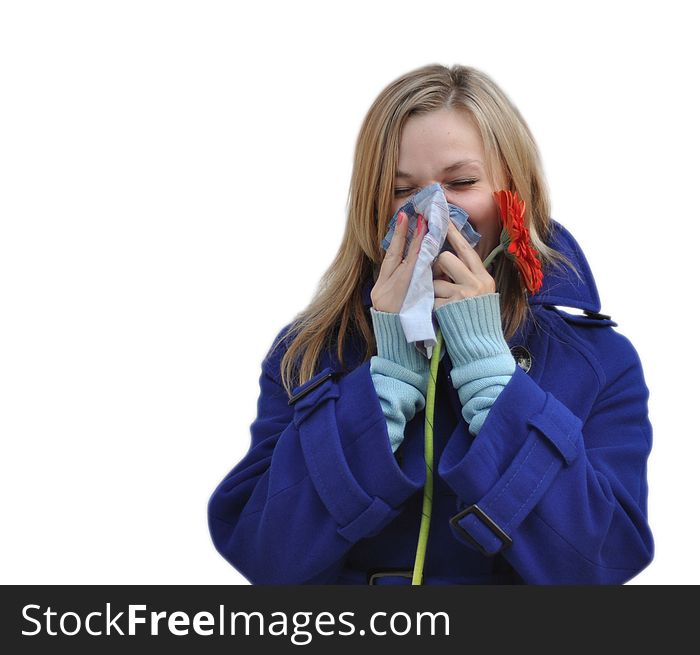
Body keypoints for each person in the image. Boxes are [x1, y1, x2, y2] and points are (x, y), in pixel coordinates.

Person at [207, 63, 655, 585]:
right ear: (373, 206)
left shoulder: (597, 361)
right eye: (403, 191)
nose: (435, 211)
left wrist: (494, 375)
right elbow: (265, 554)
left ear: (515, 195)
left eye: (462, 182)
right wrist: (383, 385)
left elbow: (602, 563)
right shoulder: (308, 351)